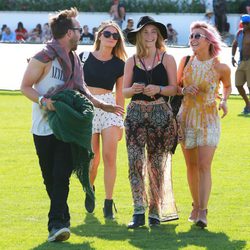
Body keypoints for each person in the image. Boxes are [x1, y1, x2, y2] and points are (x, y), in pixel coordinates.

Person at [20, 7, 124, 242]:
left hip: (68, 127)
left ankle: (57, 225)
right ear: (69, 33)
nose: (82, 33)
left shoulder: (74, 59)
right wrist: (44, 101)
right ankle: (62, 217)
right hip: (44, 127)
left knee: (61, 176)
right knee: (50, 177)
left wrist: (103, 105)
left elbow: (82, 90)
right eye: (79, 30)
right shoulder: (43, 57)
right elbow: (25, 86)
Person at [123, 16, 178, 228]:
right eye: (145, 32)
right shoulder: (131, 60)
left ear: (159, 35)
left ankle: (155, 210)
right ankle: (138, 210)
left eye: (153, 32)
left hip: (160, 116)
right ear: (138, 36)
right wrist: (134, 90)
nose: (149, 36)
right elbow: (124, 92)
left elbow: (174, 88)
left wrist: (159, 89)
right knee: (135, 163)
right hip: (135, 114)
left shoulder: (167, 59)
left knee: (157, 165)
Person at [177, 21, 231, 228]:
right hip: (186, 118)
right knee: (191, 166)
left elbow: (227, 86)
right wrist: (183, 91)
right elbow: (176, 86)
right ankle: (195, 205)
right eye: (191, 36)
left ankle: (203, 211)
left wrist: (224, 100)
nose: (192, 39)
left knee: (204, 165)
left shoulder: (221, 67)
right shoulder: (185, 61)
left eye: (197, 36)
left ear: (209, 40)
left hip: (209, 119)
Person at [80, 20, 127, 219]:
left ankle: (109, 201)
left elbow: (121, 93)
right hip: (88, 107)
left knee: (109, 157)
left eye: (115, 36)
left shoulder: (120, 64)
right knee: (92, 160)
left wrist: (120, 120)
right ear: (99, 35)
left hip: (109, 108)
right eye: (107, 34)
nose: (111, 38)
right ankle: (89, 189)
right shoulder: (82, 57)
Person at [232, 15, 250, 115]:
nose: (245, 25)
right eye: (244, 23)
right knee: (238, 85)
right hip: (241, 61)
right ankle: (248, 104)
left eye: (247, 23)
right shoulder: (239, 33)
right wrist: (232, 57)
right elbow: (234, 44)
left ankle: (248, 106)